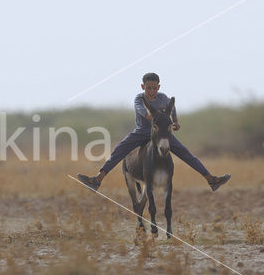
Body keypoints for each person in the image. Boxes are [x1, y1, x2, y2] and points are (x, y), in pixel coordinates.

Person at [77, 72, 230, 192]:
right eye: (148, 88)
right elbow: (146, 115)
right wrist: (162, 121)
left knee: (186, 153)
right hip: (142, 132)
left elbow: (172, 107)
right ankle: (97, 179)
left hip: (162, 133)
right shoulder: (139, 99)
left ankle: (211, 179)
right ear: (143, 87)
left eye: (154, 88)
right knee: (119, 150)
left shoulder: (163, 98)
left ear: (159, 86)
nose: (151, 91)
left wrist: (175, 121)